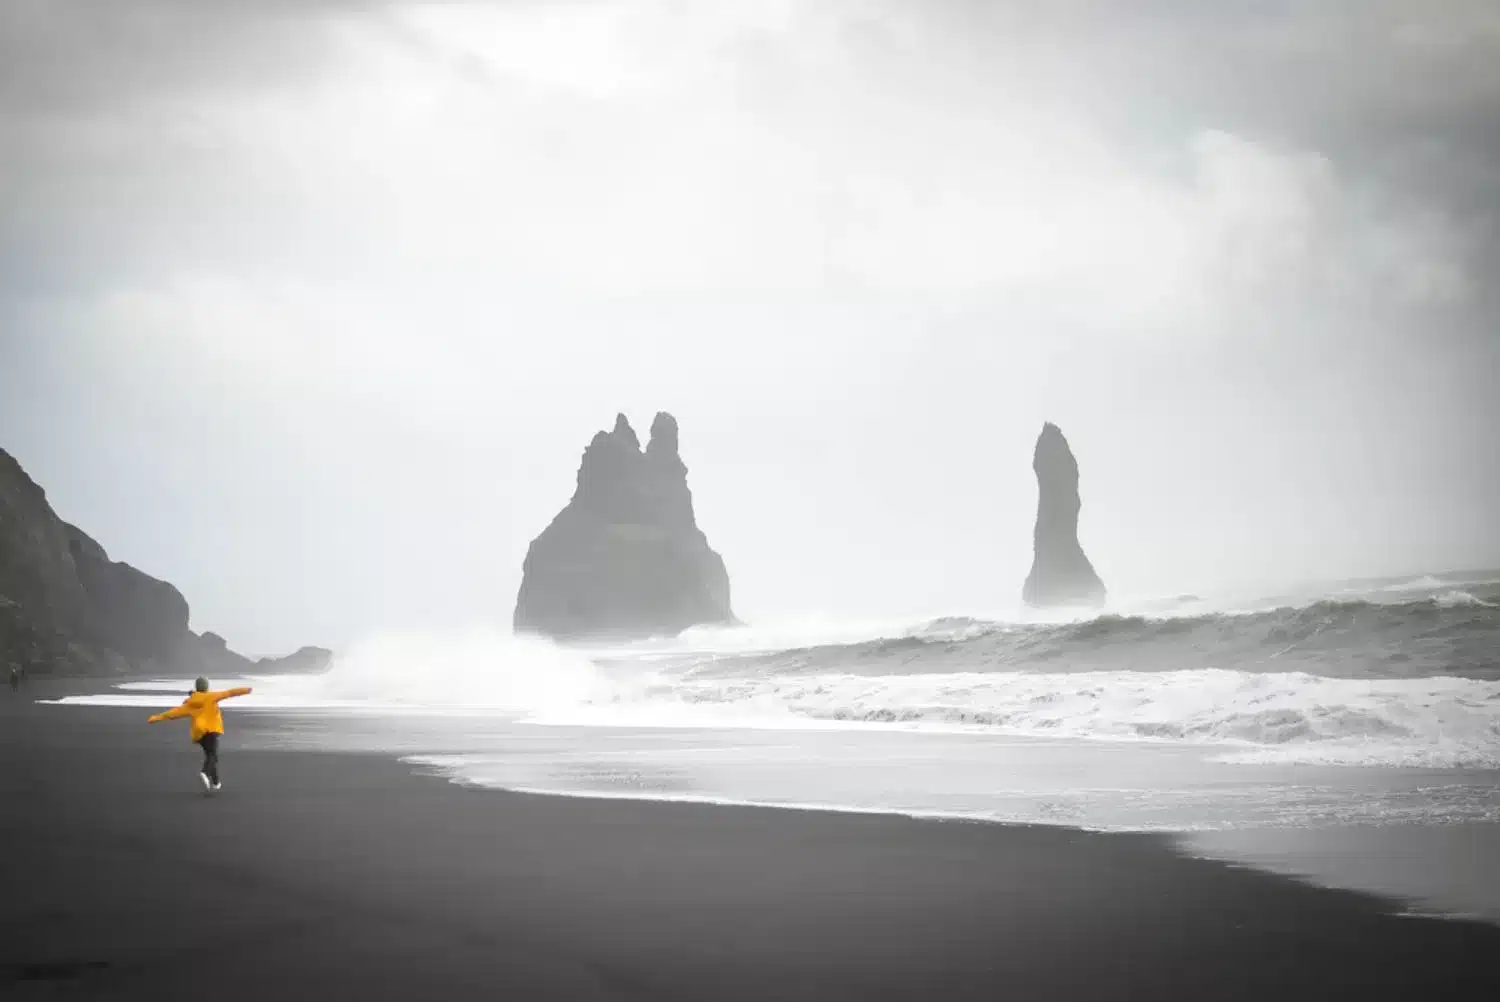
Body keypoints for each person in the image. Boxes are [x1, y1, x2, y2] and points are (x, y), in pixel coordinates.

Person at [147, 677, 253, 792]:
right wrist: (246, 690)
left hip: (200, 734)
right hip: (212, 730)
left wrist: (156, 718)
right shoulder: (211, 696)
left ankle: (216, 782)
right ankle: (205, 773)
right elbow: (230, 693)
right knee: (212, 756)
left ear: (197, 687)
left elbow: (173, 713)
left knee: (211, 756)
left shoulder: (191, 703)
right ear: (206, 687)